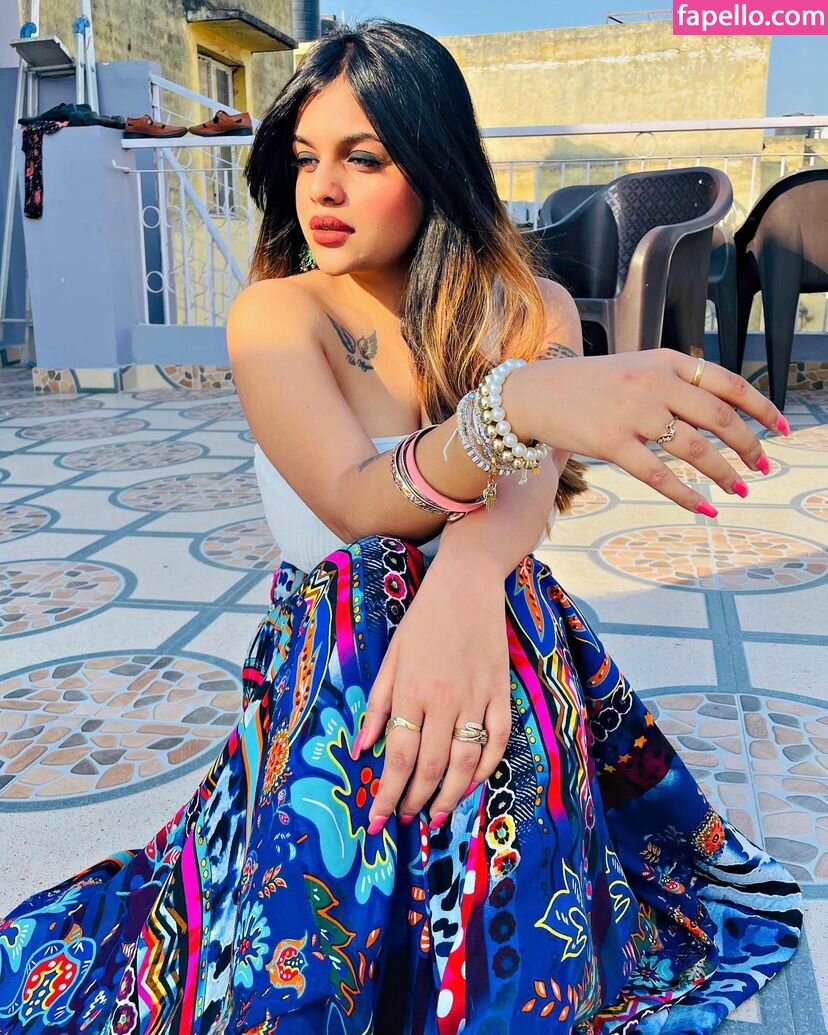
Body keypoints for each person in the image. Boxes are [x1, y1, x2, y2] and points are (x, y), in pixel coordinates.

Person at [0, 18, 802, 1035]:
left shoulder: (533, 303)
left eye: (364, 158)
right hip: (336, 656)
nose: (322, 190)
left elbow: (519, 503)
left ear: (433, 163)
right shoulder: (278, 315)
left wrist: (461, 585)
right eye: (306, 159)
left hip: (502, 619)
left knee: (516, 858)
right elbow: (358, 499)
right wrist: (519, 405)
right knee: (344, 807)